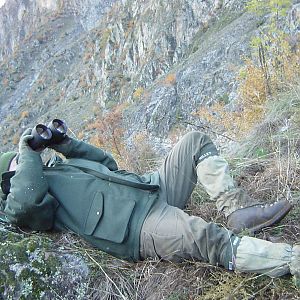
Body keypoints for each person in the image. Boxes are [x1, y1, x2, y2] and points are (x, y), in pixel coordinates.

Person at [0, 128, 299, 280]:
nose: (33, 158)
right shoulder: (24, 201)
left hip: (149, 186)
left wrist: (65, 144)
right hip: (138, 227)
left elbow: (108, 163)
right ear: (9, 179)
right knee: (204, 237)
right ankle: (290, 260)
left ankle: (237, 211)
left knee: (195, 141)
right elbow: (26, 204)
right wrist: (24, 153)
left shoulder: (57, 169)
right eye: (21, 162)